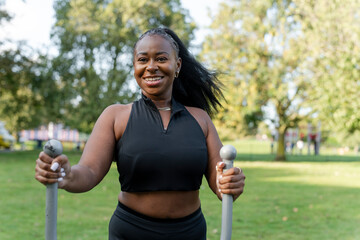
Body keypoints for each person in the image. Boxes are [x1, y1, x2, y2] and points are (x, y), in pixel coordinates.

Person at [35, 27, 246, 240]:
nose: (151, 67)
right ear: (135, 66)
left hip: (190, 233)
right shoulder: (116, 116)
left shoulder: (201, 119)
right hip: (130, 231)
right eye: (143, 60)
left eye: (161, 59)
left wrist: (229, 182)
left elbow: (220, 182)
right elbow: (89, 171)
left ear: (177, 65)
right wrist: (65, 174)